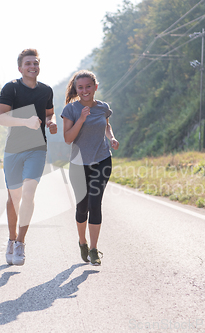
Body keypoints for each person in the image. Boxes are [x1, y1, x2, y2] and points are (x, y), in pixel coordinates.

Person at [0, 49, 57, 266]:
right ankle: (11, 240)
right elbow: (0, 118)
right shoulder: (11, 87)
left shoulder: (46, 90)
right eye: (28, 63)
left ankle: (21, 242)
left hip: (37, 149)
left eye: (36, 63)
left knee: (28, 193)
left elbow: (49, 112)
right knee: (14, 197)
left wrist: (51, 122)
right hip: (14, 149)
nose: (33, 66)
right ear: (20, 68)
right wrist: (26, 122)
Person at [61, 70, 119, 266]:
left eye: (88, 87)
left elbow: (106, 126)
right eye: (81, 87)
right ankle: (82, 242)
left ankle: (94, 249)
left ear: (95, 87)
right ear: (76, 89)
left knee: (95, 203)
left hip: (102, 160)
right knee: (82, 206)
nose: (85, 90)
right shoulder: (71, 110)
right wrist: (81, 120)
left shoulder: (103, 107)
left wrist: (111, 137)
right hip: (78, 164)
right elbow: (68, 138)